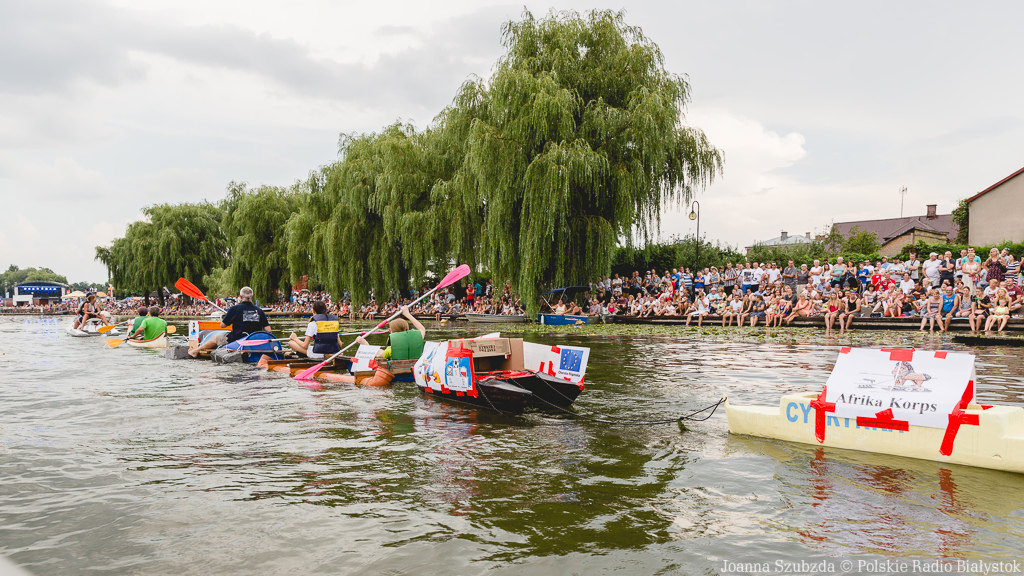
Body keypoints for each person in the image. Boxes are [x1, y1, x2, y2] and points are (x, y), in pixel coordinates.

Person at [332, 306, 426, 386]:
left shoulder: (392, 348)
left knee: (379, 353)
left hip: (397, 372)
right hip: (414, 371)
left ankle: (365, 343)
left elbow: (378, 356)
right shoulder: (418, 338)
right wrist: (407, 314)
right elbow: (422, 328)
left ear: (392, 331)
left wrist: (365, 344)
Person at [189, 286, 271, 357]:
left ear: (240, 296)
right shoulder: (259, 311)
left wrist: (227, 317)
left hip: (237, 337)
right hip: (255, 338)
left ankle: (195, 351)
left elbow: (222, 325)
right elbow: (268, 330)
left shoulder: (234, 309)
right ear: (252, 296)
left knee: (214, 338)